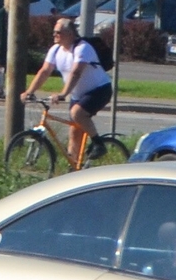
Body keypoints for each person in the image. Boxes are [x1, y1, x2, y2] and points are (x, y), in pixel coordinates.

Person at [24, 15, 112, 169]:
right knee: (74, 131)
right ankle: (75, 168)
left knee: (77, 114)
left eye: (58, 32)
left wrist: (63, 94)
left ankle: (98, 144)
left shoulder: (82, 48)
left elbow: (76, 72)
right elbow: (44, 71)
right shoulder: (56, 49)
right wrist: (29, 91)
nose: (55, 35)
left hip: (100, 90)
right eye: (54, 32)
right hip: (79, 94)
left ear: (70, 34)